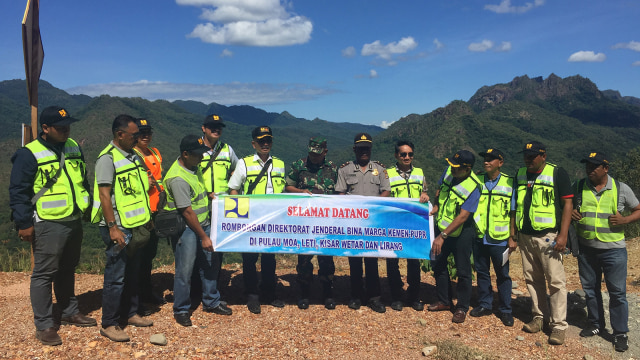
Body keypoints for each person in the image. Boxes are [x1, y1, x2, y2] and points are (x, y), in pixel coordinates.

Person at [9, 106, 96, 346]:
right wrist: (24, 223)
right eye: (60, 127)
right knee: (44, 273)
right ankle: (45, 324)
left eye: (68, 125)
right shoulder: (29, 153)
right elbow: (18, 191)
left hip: (73, 218)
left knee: (68, 268)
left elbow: (82, 178)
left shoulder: (73, 146)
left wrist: (86, 206)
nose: (66, 130)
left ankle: (69, 312)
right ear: (45, 128)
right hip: (48, 221)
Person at [91, 114, 154, 342]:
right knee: (116, 276)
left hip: (135, 224)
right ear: (120, 134)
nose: (137, 138)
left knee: (132, 272)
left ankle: (131, 313)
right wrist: (112, 228)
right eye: (134, 134)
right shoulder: (107, 159)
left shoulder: (133, 156)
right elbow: (104, 196)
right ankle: (109, 323)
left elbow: (138, 190)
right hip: (118, 225)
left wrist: (146, 217)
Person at [572, 152, 640, 352]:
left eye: (594, 166)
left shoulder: (620, 189)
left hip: (613, 250)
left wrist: (625, 220)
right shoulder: (578, 187)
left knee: (617, 293)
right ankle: (595, 324)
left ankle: (620, 332)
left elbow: (638, 209)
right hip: (586, 249)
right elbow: (567, 206)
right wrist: (573, 213)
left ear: (606, 168)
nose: (589, 169)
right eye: (588, 166)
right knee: (591, 290)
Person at [508, 141, 573, 345]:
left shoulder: (556, 173)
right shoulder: (520, 174)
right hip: (525, 236)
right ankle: (539, 317)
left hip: (548, 236)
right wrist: (513, 233)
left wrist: (563, 235)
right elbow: (514, 206)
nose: (527, 159)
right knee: (532, 279)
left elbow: (568, 204)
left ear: (543, 156)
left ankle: (559, 326)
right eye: (526, 155)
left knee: (555, 281)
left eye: (532, 156)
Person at [165, 135, 232, 327]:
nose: (202, 158)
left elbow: (197, 194)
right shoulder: (177, 178)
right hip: (187, 229)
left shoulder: (193, 168)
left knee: (211, 263)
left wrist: (209, 195)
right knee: (184, 271)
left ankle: (211, 301)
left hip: (204, 222)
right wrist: (203, 236)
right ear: (185, 154)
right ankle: (181, 309)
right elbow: (187, 211)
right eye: (197, 155)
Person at [228, 126, 286, 314]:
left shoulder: (280, 164)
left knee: (270, 257)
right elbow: (234, 189)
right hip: (251, 219)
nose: (265, 143)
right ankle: (252, 295)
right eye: (261, 141)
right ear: (254, 143)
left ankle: (269, 293)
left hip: (273, 220)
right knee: (250, 258)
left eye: (268, 140)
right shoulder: (244, 164)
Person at [335, 132, 390, 313]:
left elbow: (386, 192)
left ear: (371, 149)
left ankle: (374, 298)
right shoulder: (345, 170)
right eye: (360, 148)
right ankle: (356, 295)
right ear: (354, 149)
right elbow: (340, 194)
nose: (364, 151)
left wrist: (373, 208)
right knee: (355, 261)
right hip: (353, 223)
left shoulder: (381, 170)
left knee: (372, 260)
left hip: (373, 223)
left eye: (367, 148)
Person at [427, 150, 481, 324]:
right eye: (451, 166)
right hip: (442, 226)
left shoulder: (474, 186)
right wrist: (435, 207)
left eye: (457, 168)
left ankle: (462, 307)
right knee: (439, 264)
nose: (452, 170)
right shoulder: (448, 172)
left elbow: (463, 216)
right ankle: (444, 300)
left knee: (463, 271)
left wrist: (442, 236)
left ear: (467, 169)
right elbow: (439, 190)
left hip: (461, 232)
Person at [285, 136, 338, 310]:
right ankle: (304, 293)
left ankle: (327, 293)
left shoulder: (333, 168)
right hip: (305, 223)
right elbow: (288, 186)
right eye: (311, 153)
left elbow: (341, 193)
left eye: (317, 154)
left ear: (325, 152)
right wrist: (301, 191)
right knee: (304, 259)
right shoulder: (299, 165)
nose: (313, 157)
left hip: (326, 223)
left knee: (326, 259)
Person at [469, 148, 514, 326]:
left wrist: (513, 237)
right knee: (482, 272)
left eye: (491, 159)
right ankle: (485, 305)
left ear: (500, 163)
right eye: (485, 159)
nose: (486, 162)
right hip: (480, 236)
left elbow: (513, 212)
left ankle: (505, 310)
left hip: (500, 238)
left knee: (503, 274)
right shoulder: (477, 180)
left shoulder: (510, 183)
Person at [385, 140, 429, 311]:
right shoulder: (387, 174)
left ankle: (414, 295)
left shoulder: (419, 172)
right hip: (394, 222)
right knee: (392, 260)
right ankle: (396, 296)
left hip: (414, 223)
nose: (407, 157)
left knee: (414, 260)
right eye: (403, 154)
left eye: (410, 154)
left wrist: (425, 195)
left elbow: (424, 191)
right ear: (396, 155)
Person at [132, 118, 166, 307]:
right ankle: (137, 297)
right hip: (141, 212)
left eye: (148, 132)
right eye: (142, 132)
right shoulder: (132, 155)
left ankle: (146, 291)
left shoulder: (156, 153)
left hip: (156, 211)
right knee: (139, 255)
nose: (146, 136)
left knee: (149, 254)